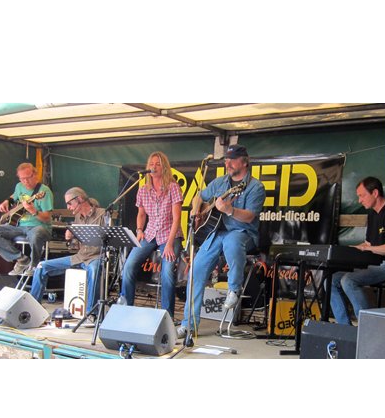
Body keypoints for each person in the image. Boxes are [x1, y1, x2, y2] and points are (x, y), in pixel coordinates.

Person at [177, 144, 266, 339]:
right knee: (196, 269)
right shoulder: (220, 182)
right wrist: (197, 210)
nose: (228, 163)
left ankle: (234, 289)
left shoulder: (255, 187)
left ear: (245, 162)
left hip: (243, 232)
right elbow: (198, 196)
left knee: (232, 242)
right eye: (226, 160)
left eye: (232, 160)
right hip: (217, 232)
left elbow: (250, 216)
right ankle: (189, 325)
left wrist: (230, 210)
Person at [330, 176, 385, 325]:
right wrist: (347, 250)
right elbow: (368, 243)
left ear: (375, 193)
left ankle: (366, 328)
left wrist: (366, 248)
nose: (359, 200)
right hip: (374, 263)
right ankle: (344, 328)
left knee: (349, 281)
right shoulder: (373, 214)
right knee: (331, 280)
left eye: (362, 196)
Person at [121, 152, 183, 319]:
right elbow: (141, 215)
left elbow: (177, 218)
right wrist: (139, 231)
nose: (153, 167)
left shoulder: (173, 187)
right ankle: (125, 310)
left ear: (164, 168)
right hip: (149, 234)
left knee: (167, 271)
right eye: (151, 164)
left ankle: (166, 317)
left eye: (157, 164)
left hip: (170, 234)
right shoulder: (143, 189)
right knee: (128, 266)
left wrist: (169, 243)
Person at [30, 188, 106, 315]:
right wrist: (71, 237)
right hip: (79, 257)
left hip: (96, 257)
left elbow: (108, 240)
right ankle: (33, 309)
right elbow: (75, 247)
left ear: (79, 199)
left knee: (93, 271)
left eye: (70, 203)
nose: (68, 207)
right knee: (41, 266)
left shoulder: (102, 213)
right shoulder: (77, 217)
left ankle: (92, 313)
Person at [0, 163, 53, 277]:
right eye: (22, 178)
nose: (25, 182)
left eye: (28, 177)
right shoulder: (19, 186)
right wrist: (7, 201)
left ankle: (34, 264)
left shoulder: (44, 191)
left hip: (38, 226)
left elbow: (47, 218)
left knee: (37, 233)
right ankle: (22, 259)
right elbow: (15, 195)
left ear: (35, 175)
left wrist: (33, 211)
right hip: (19, 226)